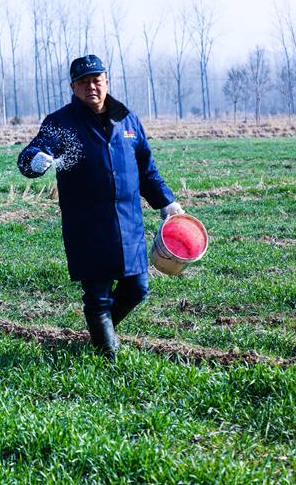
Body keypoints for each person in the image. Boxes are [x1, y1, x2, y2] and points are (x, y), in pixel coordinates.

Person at [18, 54, 184, 360]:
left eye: (96, 80)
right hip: (88, 225)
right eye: (83, 82)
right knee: (97, 296)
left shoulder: (127, 120)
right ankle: (107, 355)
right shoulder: (61, 123)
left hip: (128, 222)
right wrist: (35, 161)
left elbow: (146, 170)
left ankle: (98, 334)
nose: (91, 87)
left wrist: (166, 202)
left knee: (137, 287)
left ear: (106, 81)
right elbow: (32, 152)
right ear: (73, 87)